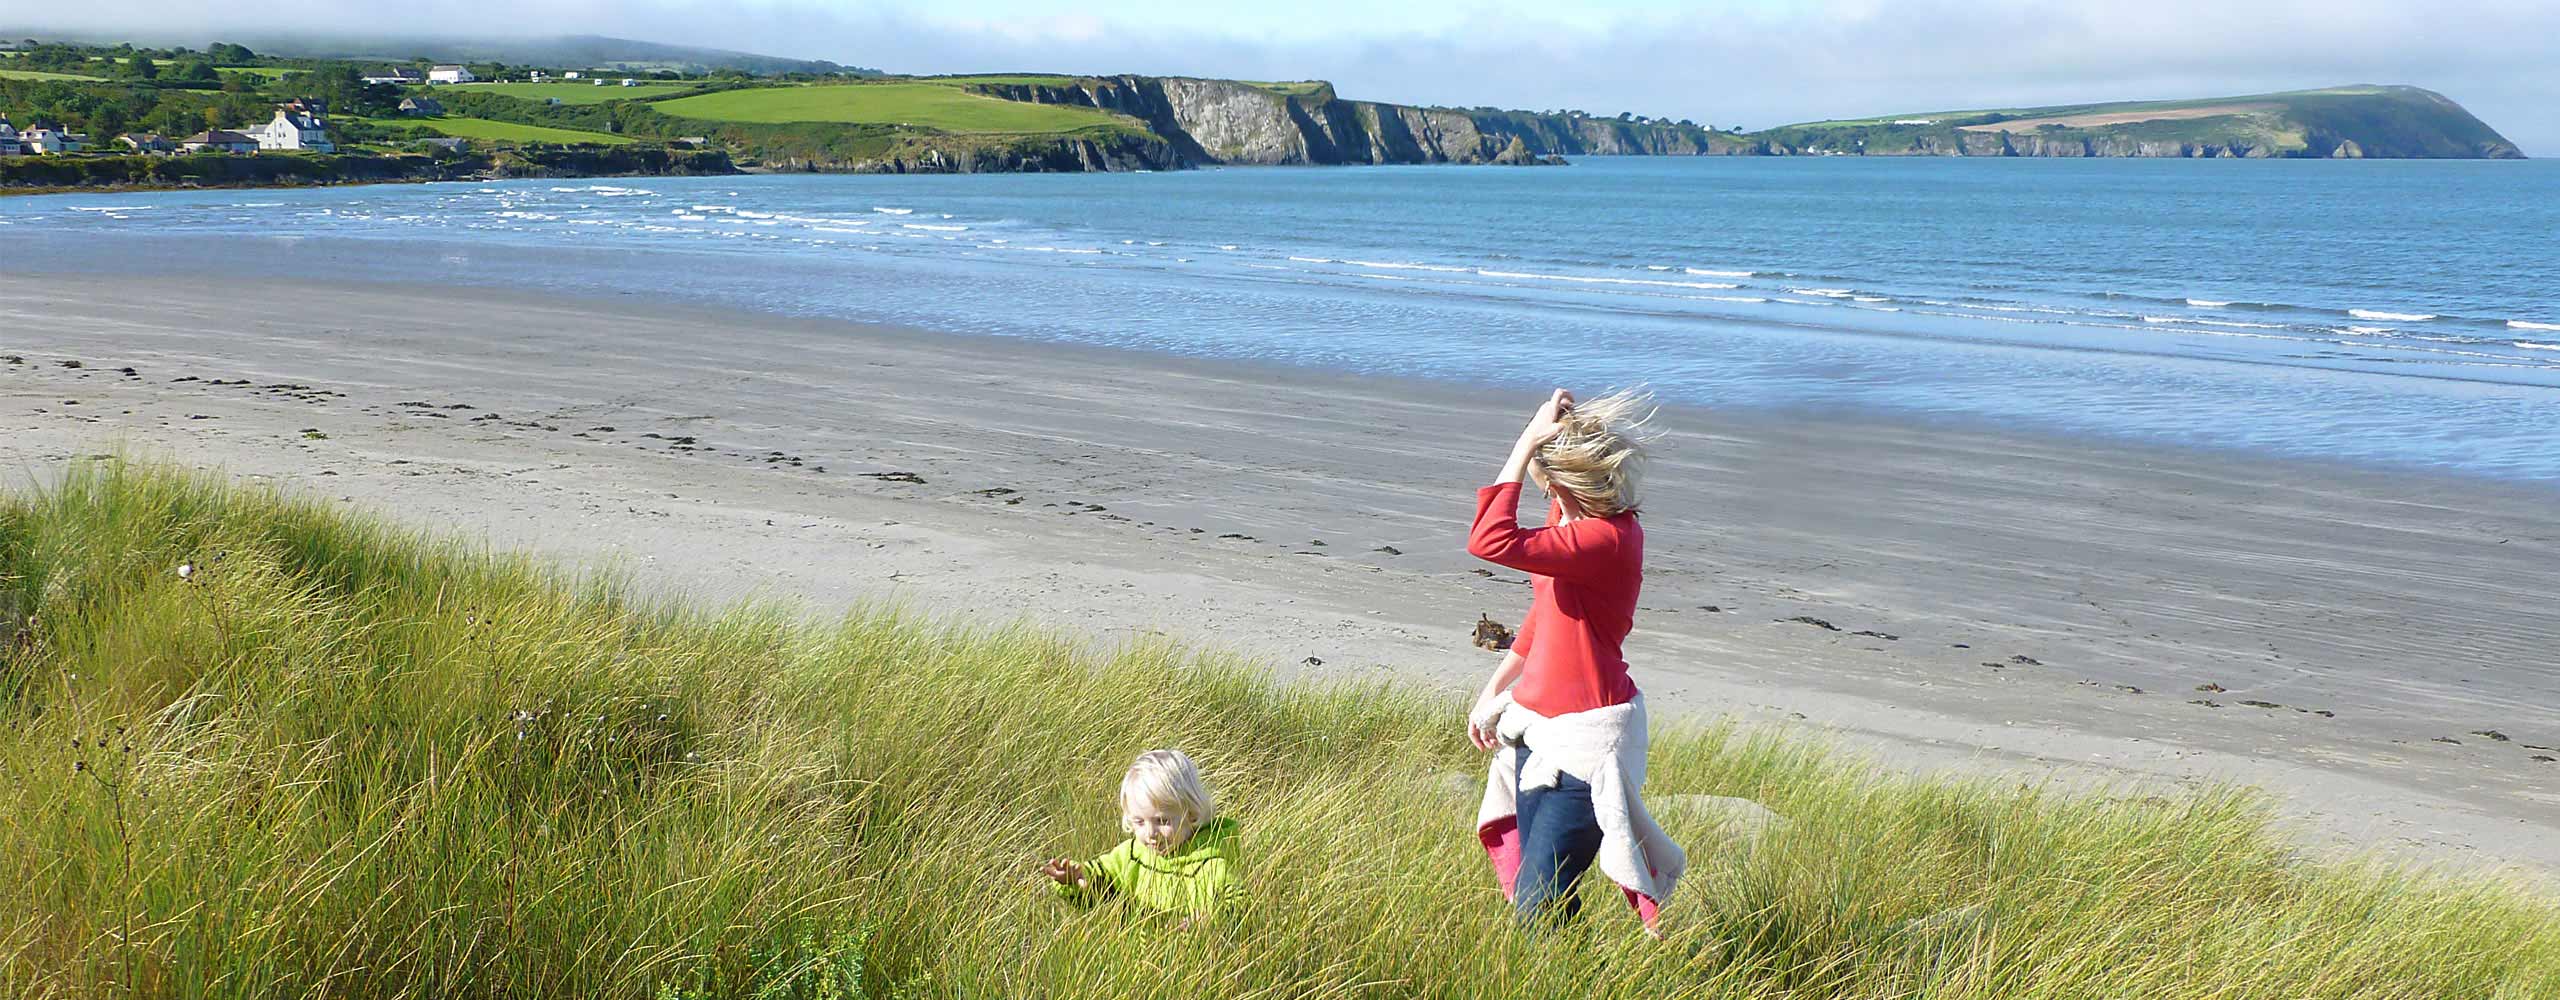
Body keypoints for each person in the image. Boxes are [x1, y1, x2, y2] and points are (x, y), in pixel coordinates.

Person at [1464, 388, 1685, 935]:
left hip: (1587, 745)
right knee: (1544, 898)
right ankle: (1574, 972)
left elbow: (1489, 540)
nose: (1546, 496)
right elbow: (1544, 614)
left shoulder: (1605, 540)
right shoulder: (1573, 526)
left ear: (1565, 483)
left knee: (1537, 907)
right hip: (1537, 733)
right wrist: (1493, 693)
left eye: (1548, 486)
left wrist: (1528, 441)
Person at [1042, 749, 1242, 921]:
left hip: (1196, 962)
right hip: (1137, 961)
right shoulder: (1131, 855)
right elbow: (1099, 880)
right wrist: (1074, 878)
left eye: (1162, 821)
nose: (1150, 833)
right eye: (1139, 821)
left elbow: (1241, 905)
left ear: (1191, 814)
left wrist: (1211, 920)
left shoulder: (1212, 863)